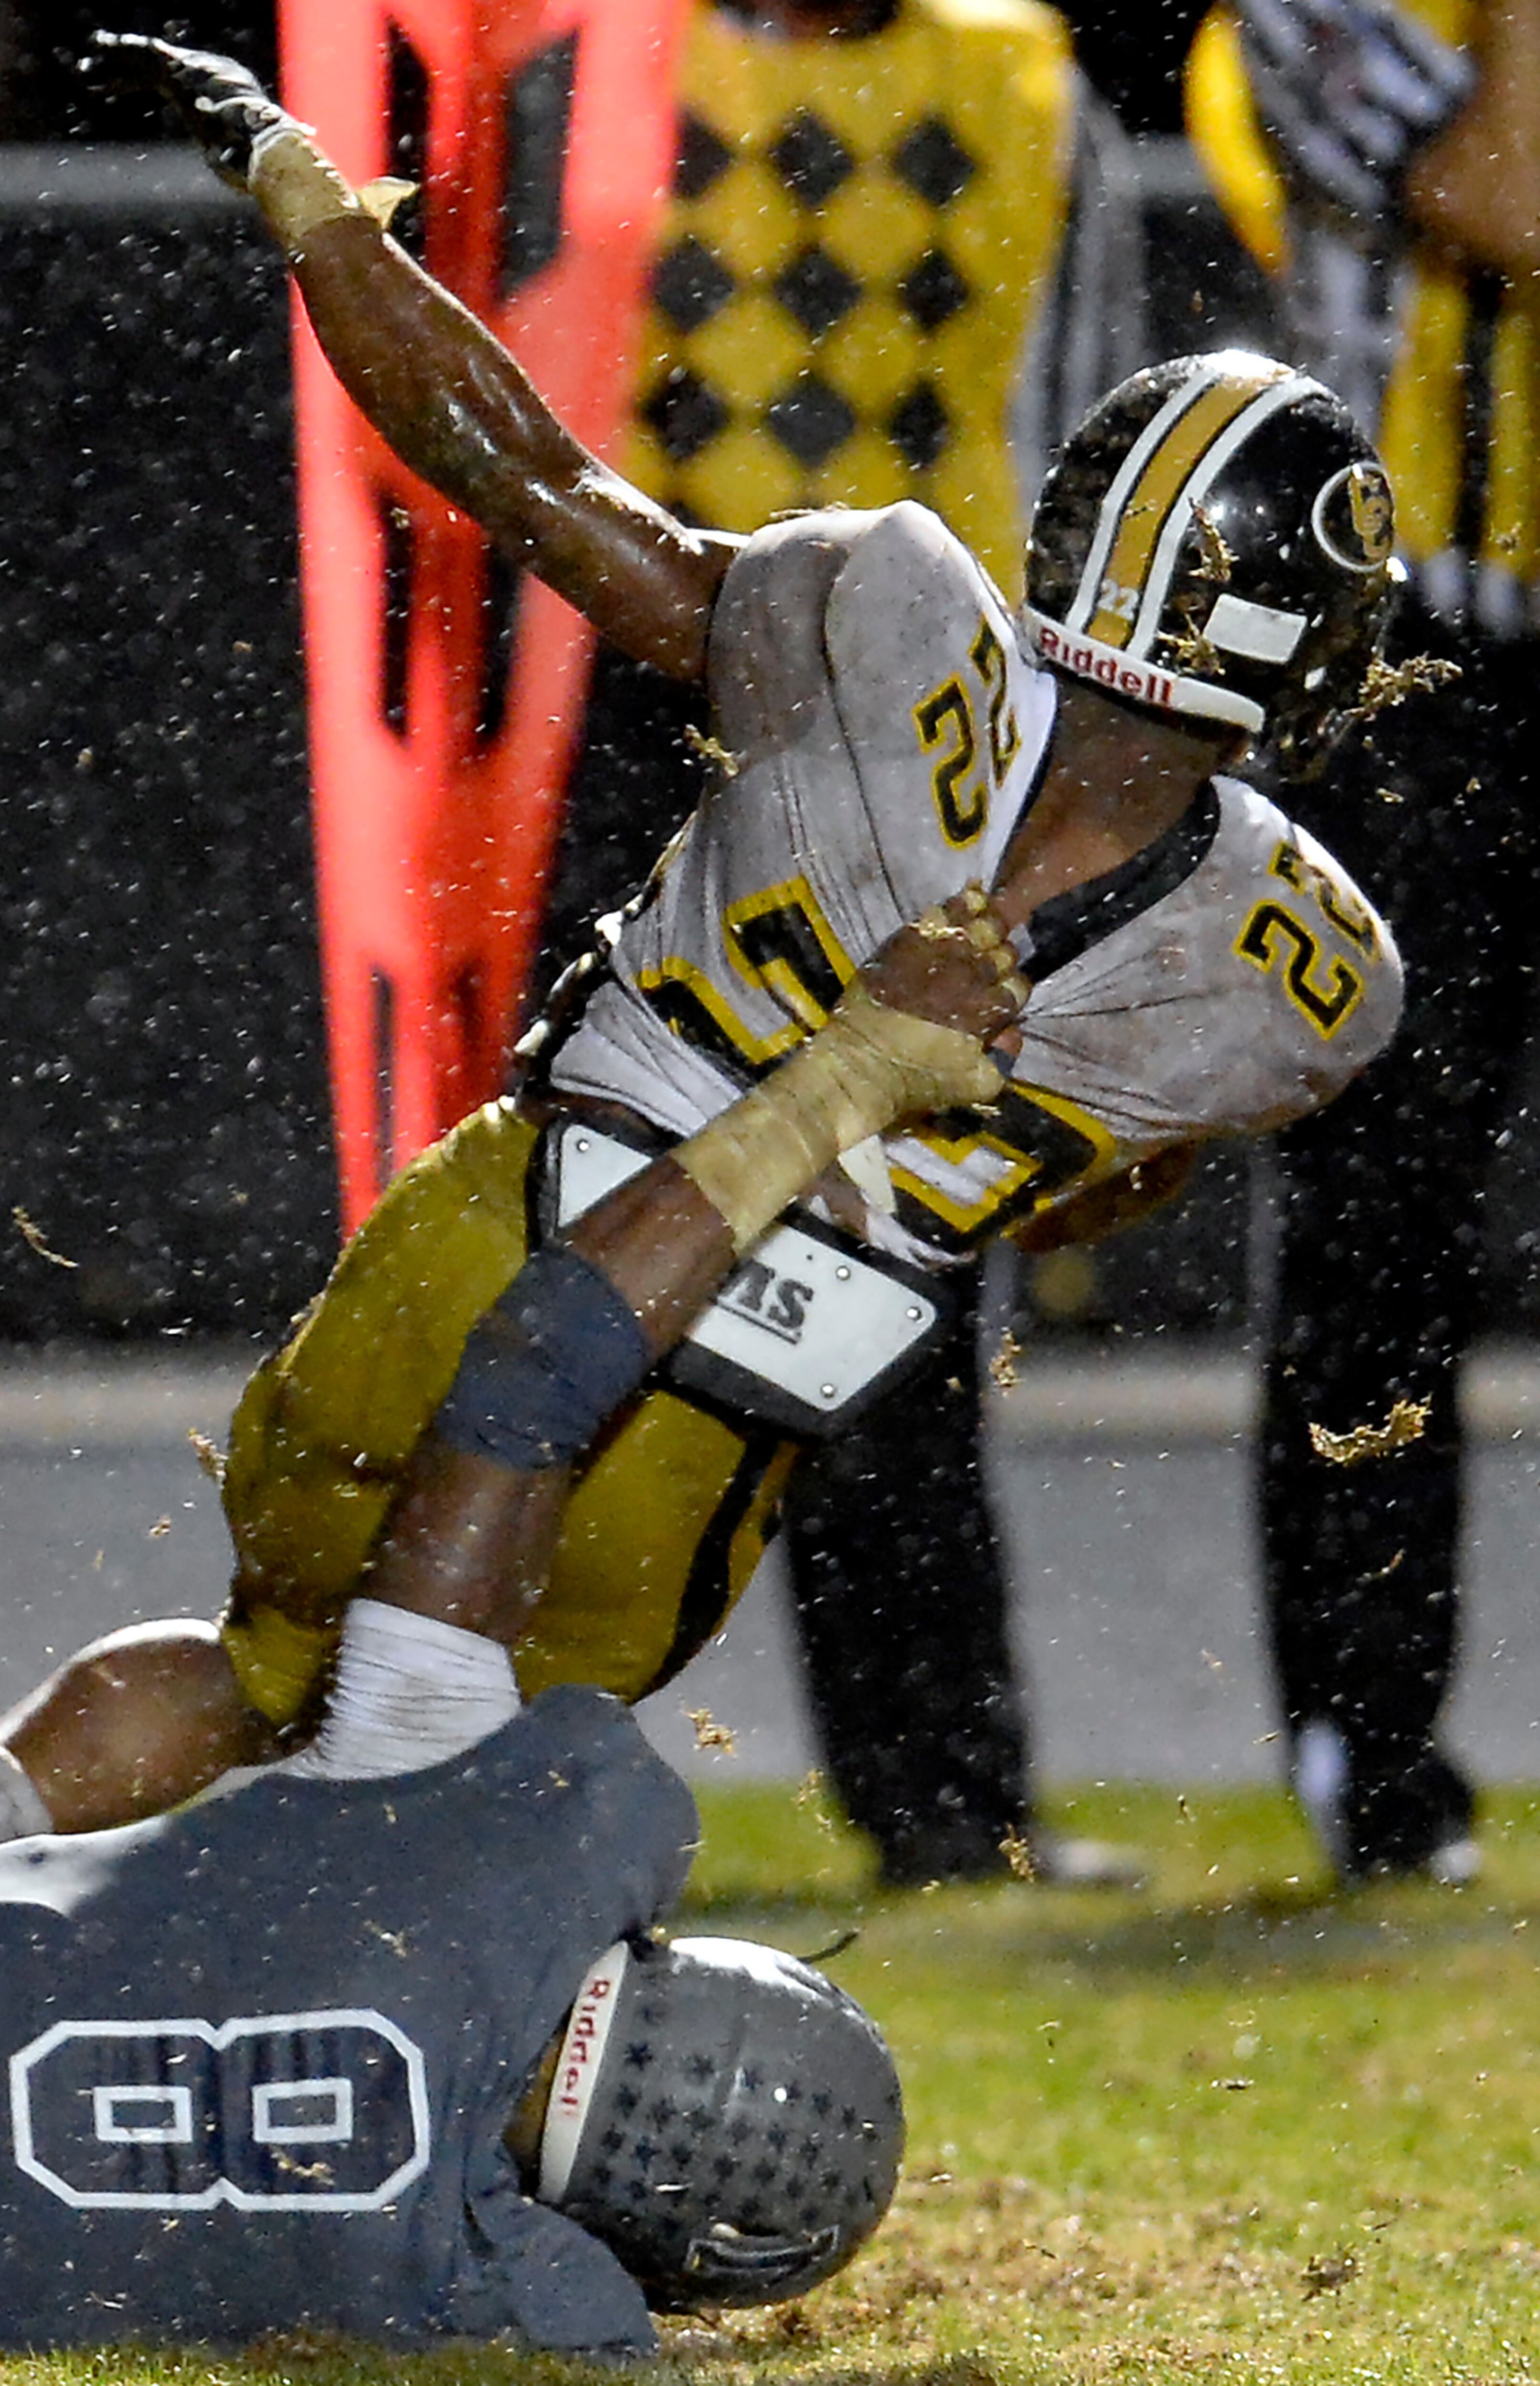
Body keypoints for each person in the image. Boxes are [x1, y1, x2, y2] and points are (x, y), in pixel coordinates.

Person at [0, 30, 1408, 1877]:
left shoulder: (896, 609)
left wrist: (322, 219)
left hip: (490, 1234)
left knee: (266, 1655)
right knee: (444, 1819)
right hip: (701, 1425)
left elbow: (540, 486)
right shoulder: (1310, 971)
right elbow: (1097, 1196)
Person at [0, 1051, 921, 2349]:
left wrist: (828, 1093)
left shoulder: (528, 1838)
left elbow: (528, 1383)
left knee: (263, 1671)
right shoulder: (501, 2301)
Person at [537, 0, 1144, 1885]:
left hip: (907, 730)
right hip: (641, 688)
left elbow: (1085, 453)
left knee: (893, 1263)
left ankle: (947, 1797)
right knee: (575, 1231)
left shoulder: (1022, 80)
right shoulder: (603, 63)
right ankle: (506, 1778)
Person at [1187, 0, 1540, 1882]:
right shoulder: (1313, 10)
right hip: (1420, 682)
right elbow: (1505, 190)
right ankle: (1372, 1742)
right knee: (1385, 1221)